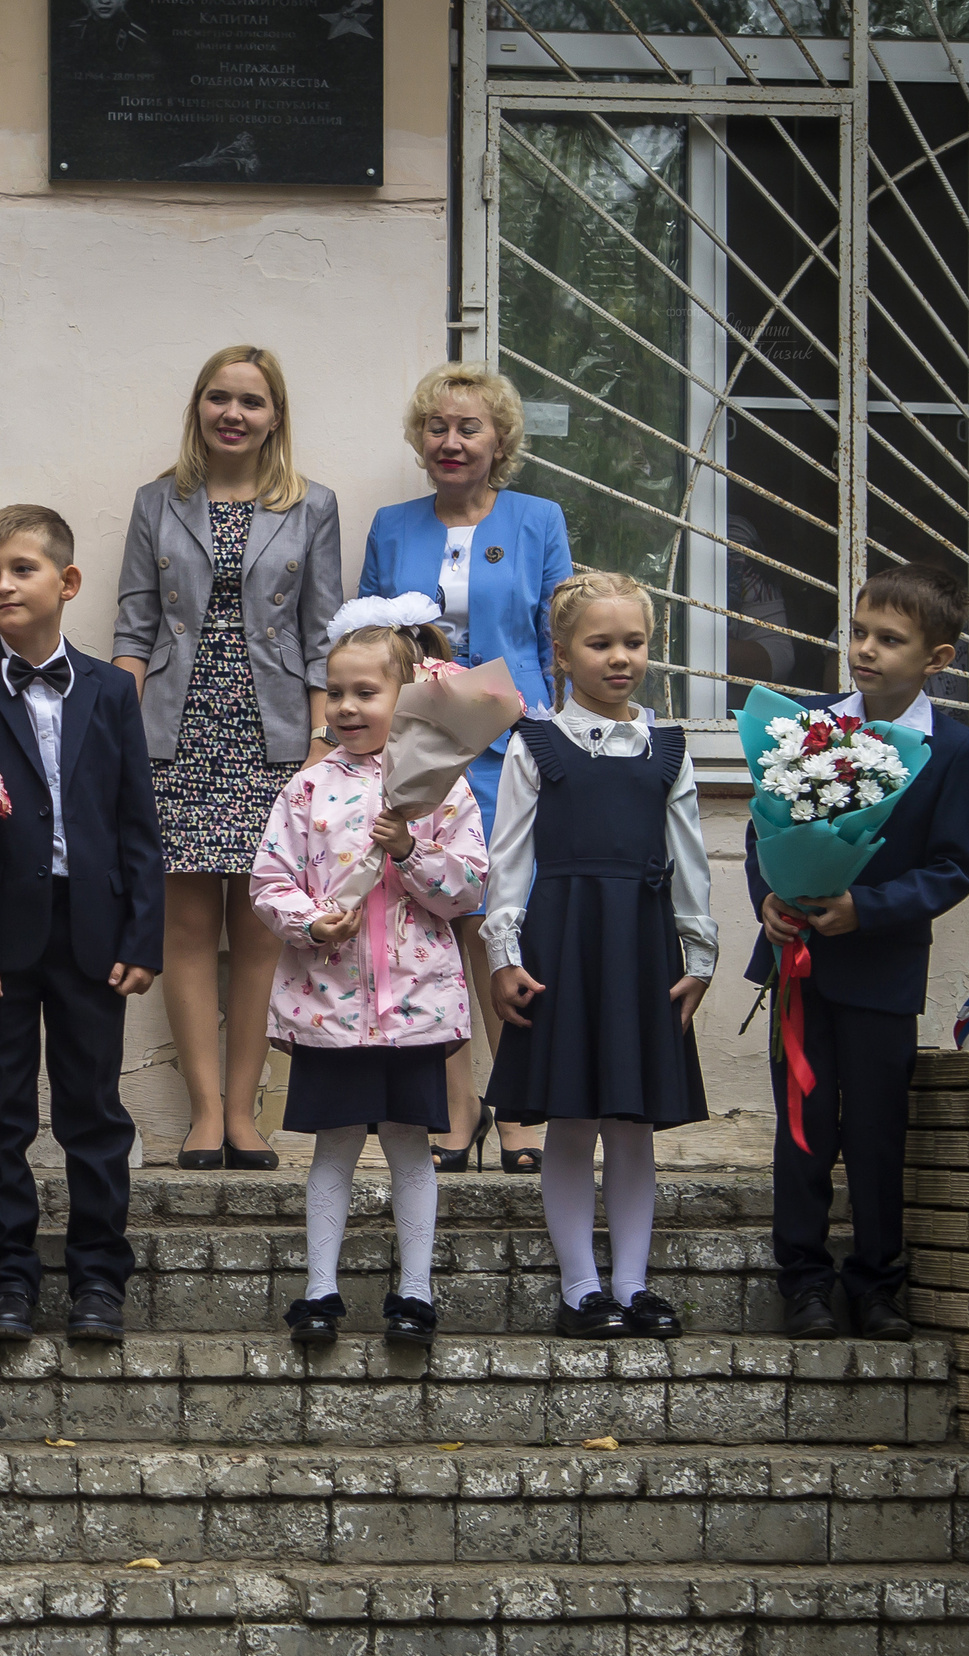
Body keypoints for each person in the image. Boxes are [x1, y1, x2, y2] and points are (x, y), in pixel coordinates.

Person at [0, 505, 163, 1345]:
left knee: (93, 1111)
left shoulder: (108, 689)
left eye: (20, 570)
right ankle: (5, 1281)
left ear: (66, 583)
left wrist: (144, 936)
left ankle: (99, 1279)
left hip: (93, 931)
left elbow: (137, 819)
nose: (0, 586)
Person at [112, 344, 342, 1170]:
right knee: (185, 925)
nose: (233, 414)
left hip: (272, 737)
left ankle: (246, 1113)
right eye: (218, 398)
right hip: (175, 735)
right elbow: (134, 629)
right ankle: (204, 1113)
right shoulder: (157, 503)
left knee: (258, 932)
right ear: (198, 409)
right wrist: (119, 736)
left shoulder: (313, 507)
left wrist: (320, 748)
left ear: (275, 414)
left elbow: (325, 637)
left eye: (250, 401)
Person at [748, 563, 969, 1343]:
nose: (866, 650)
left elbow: (951, 868)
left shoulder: (951, 749)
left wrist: (866, 908)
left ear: (938, 658)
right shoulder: (805, 723)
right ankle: (805, 1283)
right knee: (804, 1128)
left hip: (881, 968)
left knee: (879, 1132)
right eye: (858, 632)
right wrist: (771, 901)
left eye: (890, 640)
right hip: (800, 967)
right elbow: (764, 829)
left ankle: (878, 1285)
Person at [485, 572, 714, 1342]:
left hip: (641, 945)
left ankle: (635, 1284)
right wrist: (503, 953)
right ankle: (582, 1288)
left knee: (633, 1120)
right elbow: (507, 857)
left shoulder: (669, 747)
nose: (621, 658)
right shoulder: (535, 744)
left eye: (635, 642)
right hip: (563, 940)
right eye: (600, 643)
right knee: (573, 1116)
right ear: (560, 653)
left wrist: (700, 955)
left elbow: (689, 860)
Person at [359, 361, 575, 1173]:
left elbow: (562, 635)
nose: (451, 442)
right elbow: (373, 637)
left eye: (469, 427)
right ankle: (457, 1117)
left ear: (500, 441)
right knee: (435, 931)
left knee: (504, 932)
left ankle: (518, 1113)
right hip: (424, 752)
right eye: (438, 427)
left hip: (512, 751)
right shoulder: (392, 524)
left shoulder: (537, 519)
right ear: (421, 438)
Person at [253, 608, 487, 1354]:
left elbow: (468, 889)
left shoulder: (442, 789)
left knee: (412, 1145)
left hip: (414, 1008)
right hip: (330, 1009)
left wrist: (411, 849)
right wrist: (312, 923)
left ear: (406, 697)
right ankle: (319, 1288)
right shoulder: (307, 790)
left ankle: (414, 1291)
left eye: (365, 693)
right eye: (334, 693)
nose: (346, 708)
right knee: (333, 1146)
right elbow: (269, 881)